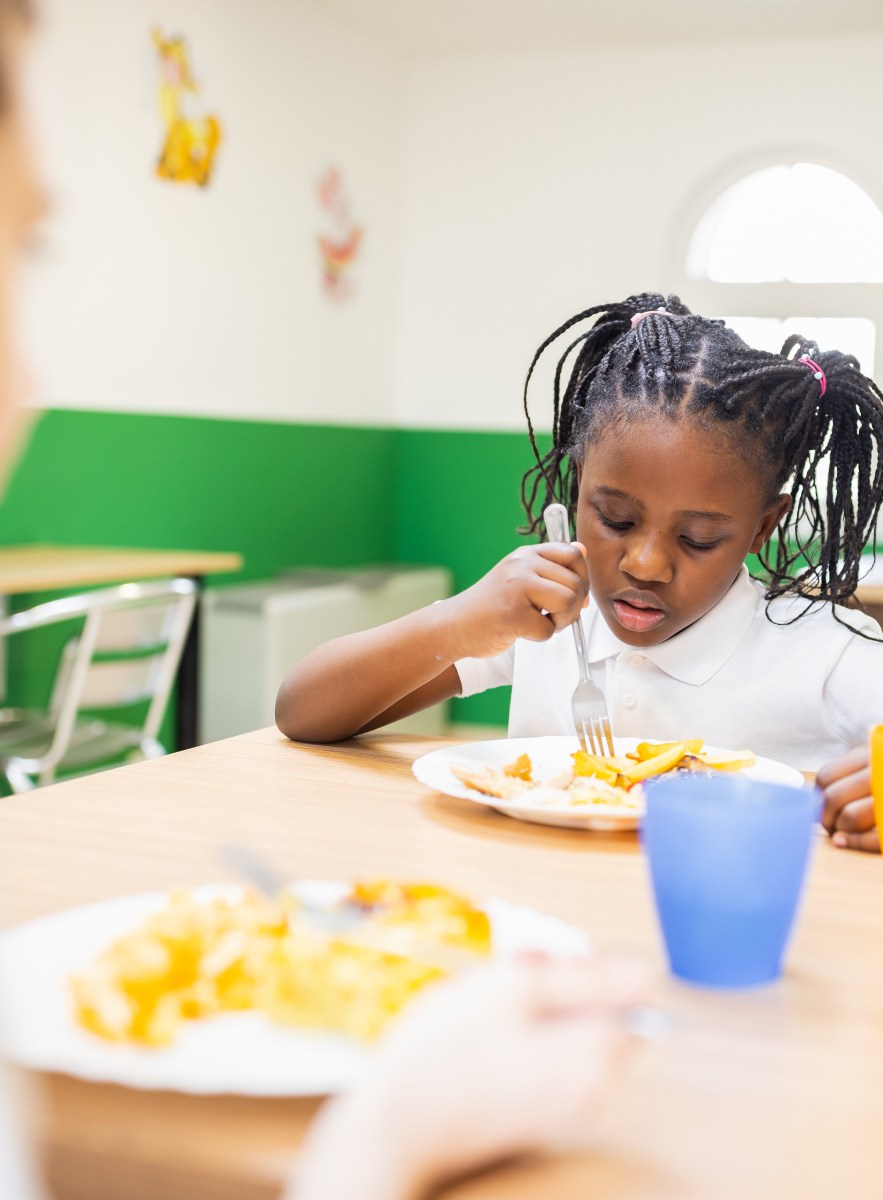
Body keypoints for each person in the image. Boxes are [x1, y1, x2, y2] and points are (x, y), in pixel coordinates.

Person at [0, 6, 647, 1200]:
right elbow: (305, 708)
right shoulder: (545, 634)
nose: (34, 373)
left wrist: (390, 1129)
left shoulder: (809, 646)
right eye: (26, 250)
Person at [277, 293, 883, 853]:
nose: (644, 563)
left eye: (700, 537)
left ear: (763, 527)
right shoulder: (549, 620)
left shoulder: (817, 649)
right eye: (615, 519)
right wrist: (458, 621)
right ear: (576, 488)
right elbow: (304, 711)